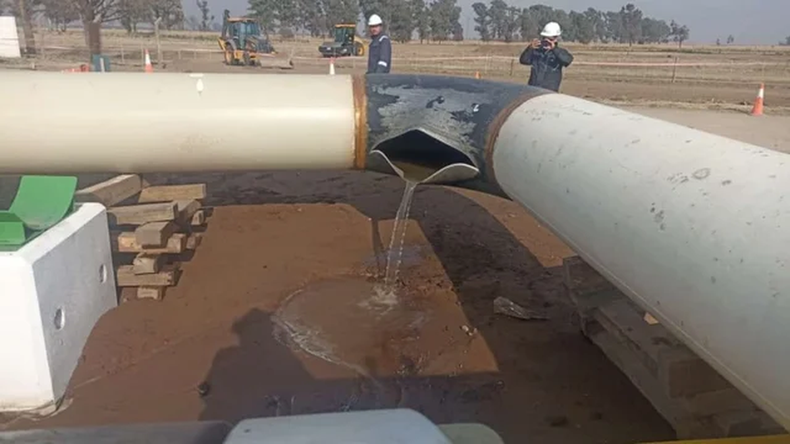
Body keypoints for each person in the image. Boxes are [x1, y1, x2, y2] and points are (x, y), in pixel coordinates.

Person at [519, 22, 574, 92]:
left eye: (550, 39)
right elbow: (523, 60)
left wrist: (554, 49)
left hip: (549, 91)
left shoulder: (559, 53)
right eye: (545, 39)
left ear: (556, 38)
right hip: (533, 89)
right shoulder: (536, 51)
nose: (547, 42)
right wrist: (529, 48)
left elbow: (567, 60)